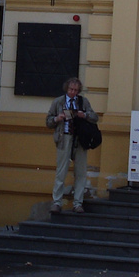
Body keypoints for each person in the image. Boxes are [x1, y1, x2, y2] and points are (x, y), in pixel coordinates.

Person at [46, 77, 98, 214]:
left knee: (80, 171)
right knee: (61, 171)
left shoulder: (83, 101)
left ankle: (78, 203)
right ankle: (57, 202)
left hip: (80, 139)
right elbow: (48, 121)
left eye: (75, 90)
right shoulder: (58, 102)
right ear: (66, 89)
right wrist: (58, 118)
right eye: (70, 89)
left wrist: (84, 115)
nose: (73, 92)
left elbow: (94, 117)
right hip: (64, 137)